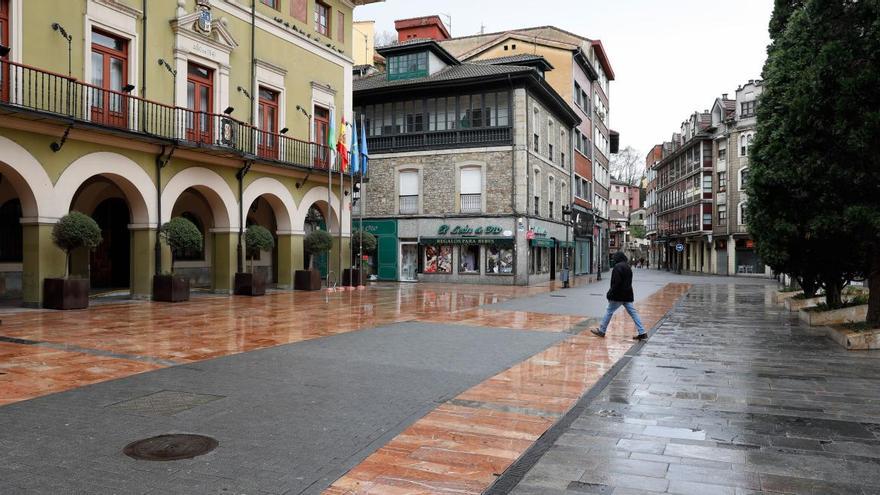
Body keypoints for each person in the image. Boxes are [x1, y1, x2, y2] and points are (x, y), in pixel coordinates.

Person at [591, 252, 647, 340]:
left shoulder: (617, 267)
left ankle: (602, 330)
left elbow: (616, 283)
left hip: (618, 295)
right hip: (627, 295)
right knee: (633, 313)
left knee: (609, 311)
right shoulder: (628, 267)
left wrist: (610, 293)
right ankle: (642, 331)